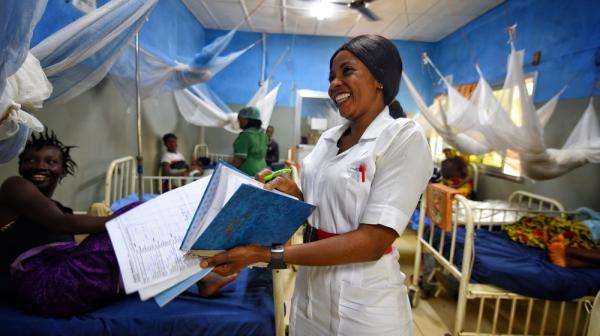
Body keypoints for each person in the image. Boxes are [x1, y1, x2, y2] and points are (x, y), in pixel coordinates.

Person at [201, 35, 433, 335]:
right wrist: (294, 195)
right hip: (310, 293)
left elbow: (373, 241)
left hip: (365, 307)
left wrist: (264, 255)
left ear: (379, 78)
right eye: (331, 77)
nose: (334, 83)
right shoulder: (329, 139)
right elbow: (322, 208)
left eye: (346, 71)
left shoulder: (403, 137)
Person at [0, 130, 236, 317]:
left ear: (62, 170)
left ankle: (199, 278)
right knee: (134, 213)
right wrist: (128, 219)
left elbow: (67, 231)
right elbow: (59, 223)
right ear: (20, 165)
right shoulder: (14, 187)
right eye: (30, 160)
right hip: (46, 286)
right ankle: (203, 276)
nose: (40, 166)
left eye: (50, 161)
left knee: (136, 249)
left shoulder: (59, 207)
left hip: (64, 281)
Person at [232, 106, 268, 176]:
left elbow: (238, 161)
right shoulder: (263, 134)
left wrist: (226, 171)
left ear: (247, 119)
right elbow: (264, 155)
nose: (238, 122)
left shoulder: (245, 136)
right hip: (263, 170)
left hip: (248, 173)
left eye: (239, 119)